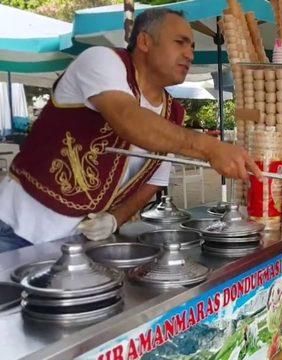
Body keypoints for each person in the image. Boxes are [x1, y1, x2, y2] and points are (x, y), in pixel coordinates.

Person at [0, 9, 260, 253]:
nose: (190, 54)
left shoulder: (173, 112)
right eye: (180, 42)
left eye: (191, 46)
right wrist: (210, 148)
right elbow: (128, 119)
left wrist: (115, 219)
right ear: (145, 42)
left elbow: (153, 179)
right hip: (15, 228)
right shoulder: (103, 61)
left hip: (76, 245)